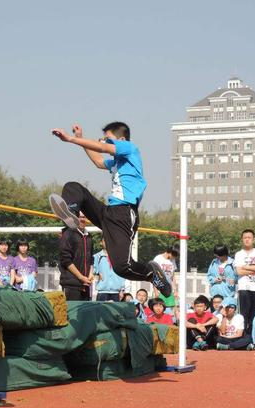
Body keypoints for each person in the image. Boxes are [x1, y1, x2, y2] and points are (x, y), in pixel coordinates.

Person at [49, 122, 172, 297]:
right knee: (73, 187)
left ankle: (150, 273)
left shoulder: (130, 148)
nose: (104, 140)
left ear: (121, 139)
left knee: (122, 267)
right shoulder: (117, 162)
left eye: (108, 138)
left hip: (124, 215)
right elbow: (98, 161)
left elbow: (101, 148)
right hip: (107, 212)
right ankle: (71, 212)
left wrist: (70, 139)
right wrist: (79, 138)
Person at [233, 229, 255, 332]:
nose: (247, 240)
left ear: (253, 239)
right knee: (244, 314)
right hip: (243, 288)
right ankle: (244, 337)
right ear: (242, 239)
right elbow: (239, 272)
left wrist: (246, 267)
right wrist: (254, 269)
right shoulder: (239, 254)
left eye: (249, 238)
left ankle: (253, 337)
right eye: (245, 238)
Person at [58, 212, 93, 300]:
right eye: (79, 217)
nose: (82, 219)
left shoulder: (89, 236)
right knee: (71, 312)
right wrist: (80, 277)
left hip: (86, 285)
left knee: (85, 313)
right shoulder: (68, 234)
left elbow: (91, 258)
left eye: (84, 217)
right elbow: (66, 260)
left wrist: (90, 274)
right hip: (71, 284)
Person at [93, 237, 124, 301]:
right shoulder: (97, 256)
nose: (107, 242)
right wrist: (98, 273)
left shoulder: (118, 257)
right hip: (102, 292)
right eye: (105, 240)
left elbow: (122, 274)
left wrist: (122, 289)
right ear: (101, 243)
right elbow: (93, 270)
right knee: (101, 310)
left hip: (116, 292)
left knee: (115, 311)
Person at [152, 245, 179, 311]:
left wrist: (175, 290)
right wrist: (155, 291)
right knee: (158, 308)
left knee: (170, 310)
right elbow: (154, 275)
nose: (174, 258)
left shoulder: (172, 260)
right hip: (160, 288)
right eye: (174, 256)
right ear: (170, 252)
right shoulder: (158, 258)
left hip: (169, 289)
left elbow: (173, 276)